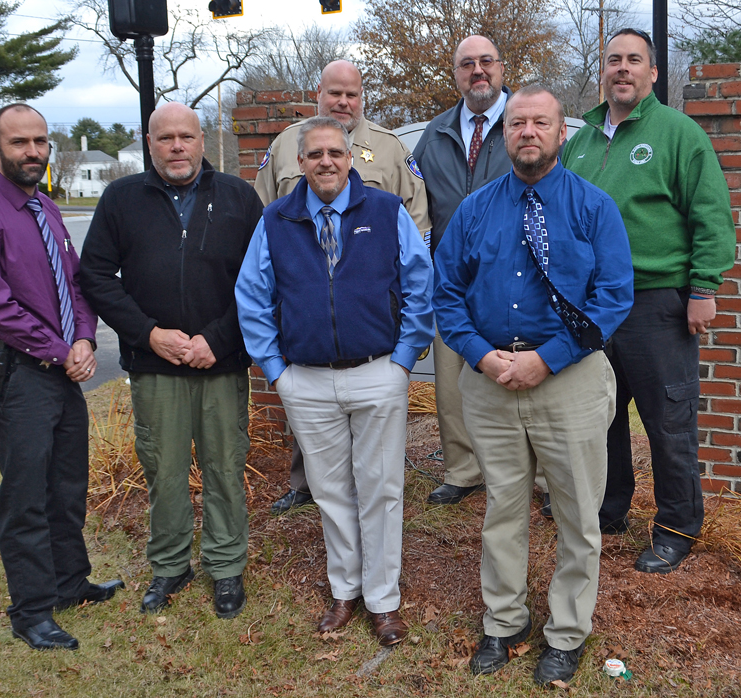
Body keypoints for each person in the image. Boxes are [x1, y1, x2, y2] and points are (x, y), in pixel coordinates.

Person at [434, 86, 634, 685]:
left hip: (567, 381)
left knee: (577, 515)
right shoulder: (475, 210)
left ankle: (567, 633)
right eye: (517, 122)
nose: (527, 132)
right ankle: (505, 623)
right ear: (504, 134)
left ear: (560, 132)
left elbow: (613, 297)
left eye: (539, 122)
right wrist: (482, 358)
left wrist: (546, 359)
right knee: (503, 510)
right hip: (491, 382)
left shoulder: (593, 208)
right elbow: (446, 293)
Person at [236, 116, 434, 645]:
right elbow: (252, 297)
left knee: (383, 489)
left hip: (378, 373)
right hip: (306, 379)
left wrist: (404, 360)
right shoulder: (277, 220)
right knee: (329, 490)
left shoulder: (387, 211)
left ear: (350, 159)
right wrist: (276, 371)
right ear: (299, 163)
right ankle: (345, 590)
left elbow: (420, 284)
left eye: (335, 153)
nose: (326, 162)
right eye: (315, 154)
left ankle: (384, 600)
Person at [0, 103, 124, 651]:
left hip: (61, 372)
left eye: (41, 141)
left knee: (67, 486)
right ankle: (31, 610)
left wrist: (85, 339)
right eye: (20, 143)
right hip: (17, 375)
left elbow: (75, 285)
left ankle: (70, 583)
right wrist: (59, 349)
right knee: (25, 496)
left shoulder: (44, 208)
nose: (33, 152)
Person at [79, 102, 263, 618]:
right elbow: (94, 276)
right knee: (164, 470)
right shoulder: (122, 199)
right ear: (150, 142)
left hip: (219, 364)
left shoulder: (238, 197)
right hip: (155, 365)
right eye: (166, 139)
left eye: (186, 137)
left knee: (225, 467)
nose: (177, 147)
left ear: (203, 140)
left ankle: (225, 567)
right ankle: (170, 565)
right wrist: (149, 333)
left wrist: (219, 339)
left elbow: (259, 283)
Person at [562, 29, 736, 573]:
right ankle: (610, 508)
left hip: (658, 302)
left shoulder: (678, 134)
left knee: (668, 421)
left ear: (653, 73)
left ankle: (676, 526)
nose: (622, 69)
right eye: (613, 60)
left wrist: (703, 289)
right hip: (594, 305)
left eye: (634, 60)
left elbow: (711, 216)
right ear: (602, 72)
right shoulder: (580, 141)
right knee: (600, 416)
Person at [255, 59, 432, 515]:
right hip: (306, 322)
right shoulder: (284, 146)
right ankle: (306, 483)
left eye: (351, 94)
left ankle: (376, 490)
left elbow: (415, 224)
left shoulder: (389, 148)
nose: (343, 102)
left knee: (377, 439)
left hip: (372, 320)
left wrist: (407, 316)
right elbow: (263, 220)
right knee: (312, 410)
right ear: (318, 93)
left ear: (362, 97)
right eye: (334, 93)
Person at [413, 35, 515, 506]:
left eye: (486, 62)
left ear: (501, 68)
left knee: (521, 374)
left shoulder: (525, 123)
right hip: (452, 282)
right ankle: (463, 469)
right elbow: (418, 211)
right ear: (456, 74)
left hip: (518, 279)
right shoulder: (433, 136)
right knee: (452, 382)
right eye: (467, 64)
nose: (478, 71)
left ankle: (535, 477)